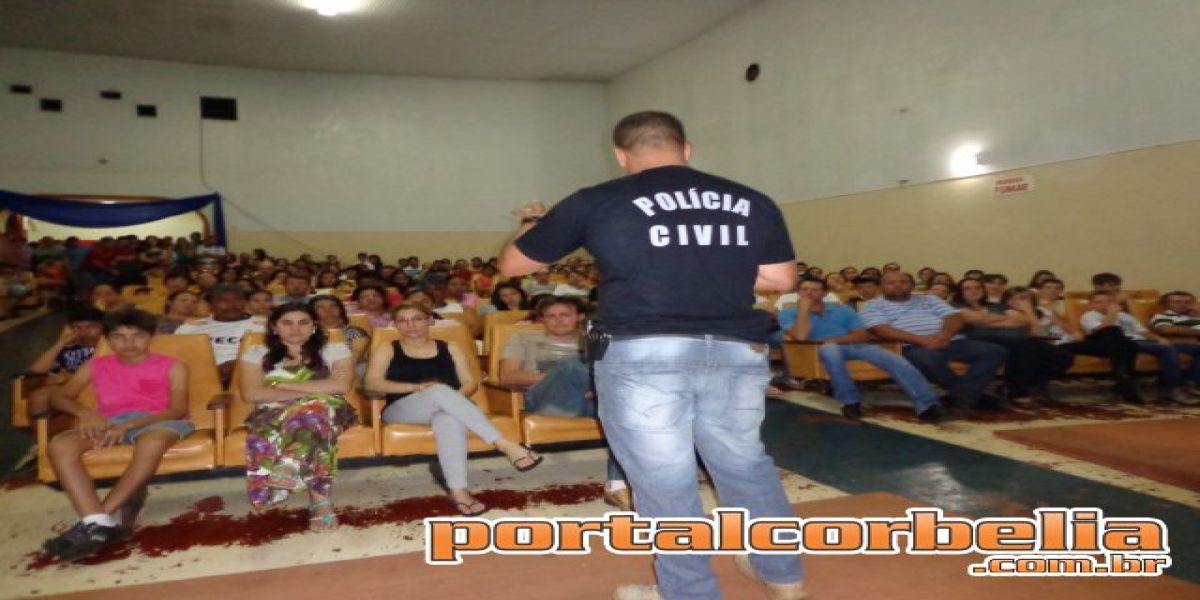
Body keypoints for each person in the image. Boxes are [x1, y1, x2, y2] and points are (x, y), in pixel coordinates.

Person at [498, 111, 805, 600]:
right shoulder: (750, 199)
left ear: (621, 155)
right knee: (745, 465)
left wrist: (534, 222)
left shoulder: (597, 199)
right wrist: (707, 269)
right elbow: (781, 279)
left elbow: (513, 264)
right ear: (687, 148)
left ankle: (689, 593)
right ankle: (784, 575)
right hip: (734, 350)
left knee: (664, 481)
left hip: (644, 352)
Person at [41, 309, 192, 561]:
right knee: (60, 446)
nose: (128, 343)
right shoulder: (96, 365)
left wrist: (130, 425)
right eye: (119, 336)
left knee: (152, 442)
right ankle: (98, 522)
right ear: (107, 339)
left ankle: (96, 521)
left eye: (137, 336)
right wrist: (85, 413)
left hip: (159, 421)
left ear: (151, 337)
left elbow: (177, 409)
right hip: (109, 422)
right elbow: (59, 396)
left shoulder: (173, 365)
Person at [365, 302, 542, 516]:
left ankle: (459, 492)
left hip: (450, 404)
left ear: (430, 321)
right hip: (402, 409)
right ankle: (505, 445)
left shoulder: (451, 347)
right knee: (439, 390)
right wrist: (415, 388)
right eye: (403, 320)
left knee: (448, 418)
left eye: (417, 319)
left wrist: (451, 400)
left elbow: (470, 382)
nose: (410, 325)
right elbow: (372, 383)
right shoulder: (387, 348)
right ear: (395, 325)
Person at [498, 296, 630, 508]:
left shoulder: (594, 340)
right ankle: (596, 388)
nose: (558, 320)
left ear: (580, 317)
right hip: (546, 398)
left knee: (623, 417)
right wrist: (560, 375)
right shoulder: (522, 338)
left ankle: (617, 484)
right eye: (551, 316)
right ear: (542, 320)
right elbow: (508, 376)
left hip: (591, 400)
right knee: (569, 365)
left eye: (565, 315)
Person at [238, 303, 356, 530]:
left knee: (313, 412)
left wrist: (278, 384)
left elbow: (341, 386)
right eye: (287, 323)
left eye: (303, 322)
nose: (295, 329)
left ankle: (291, 464)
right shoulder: (256, 353)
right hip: (274, 413)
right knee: (313, 416)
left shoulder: (334, 350)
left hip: (329, 409)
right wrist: (317, 387)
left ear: (314, 326)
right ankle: (320, 501)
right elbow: (251, 394)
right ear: (274, 327)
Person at [783, 278, 941, 421]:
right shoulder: (788, 313)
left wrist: (835, 340)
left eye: (814, 289)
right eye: (804, 289)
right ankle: (850, 402)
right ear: (798, 292)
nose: (809, 293)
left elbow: (862, 335)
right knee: (830, 349)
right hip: (817, 350)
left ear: (824, 293)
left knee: (893, 358)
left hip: (853, 345)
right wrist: (803, 312)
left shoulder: (842, 309)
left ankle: (927, 405)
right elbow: (801, 337)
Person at [861, 272, 1007, 411]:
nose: (898, 285)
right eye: (891, 283)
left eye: (903, 282)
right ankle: (969, 395)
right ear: (881, 287)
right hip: (911, 345)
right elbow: (880, 329)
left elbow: (954, 317)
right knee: (928, 359)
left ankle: (963, 396)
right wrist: (921, 340)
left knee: (993, 351)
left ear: (911, 285)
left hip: (949, 340)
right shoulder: (872, 305)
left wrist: (945, 335)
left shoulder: (929, 299)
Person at [956, 284, 1073, 405]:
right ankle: (1017, 391)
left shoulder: (1033, 312)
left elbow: (1038, 333)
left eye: (1024, 298)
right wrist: (1012, 321)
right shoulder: (999, 308)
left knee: (1063, 356)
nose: (1018, 302)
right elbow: (980, 321)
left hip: (1024, 340)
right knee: (1024, 349)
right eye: (1013, 298)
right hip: (994, 339)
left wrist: (1029, 312)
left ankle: (1026, 384)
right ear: (1006, 300)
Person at [1081, 291, 1200, 404]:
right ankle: (1174, 388)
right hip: (1125, 343)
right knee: (1166, 349)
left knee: (1194, 348)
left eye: (1109, 301)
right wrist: (1112, 313)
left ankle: (1190, 383)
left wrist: (1159, 339)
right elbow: (1103, 331)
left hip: (1144, 341)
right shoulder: (1089, 316)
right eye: (1099, 302)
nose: (1105, 304)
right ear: (1091, 305)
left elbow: (1142, 331)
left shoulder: (1125, 316)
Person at [175, 284, 265, 387]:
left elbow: (275, 356)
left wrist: (240, 365)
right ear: (211, 305)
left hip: (252, 377)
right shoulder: (189, 328)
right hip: (200, 380)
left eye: (237, 299)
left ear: (245, 302)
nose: (232, 305)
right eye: (223, 300)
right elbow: (177, 358)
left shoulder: (265, 325)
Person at [310, 295, 370, 380]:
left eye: (333, 306)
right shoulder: (308, 334)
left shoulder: (354, 332)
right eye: (320, 307)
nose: (328, 310)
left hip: (348, 372)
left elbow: (353, 359)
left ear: (341, 310)